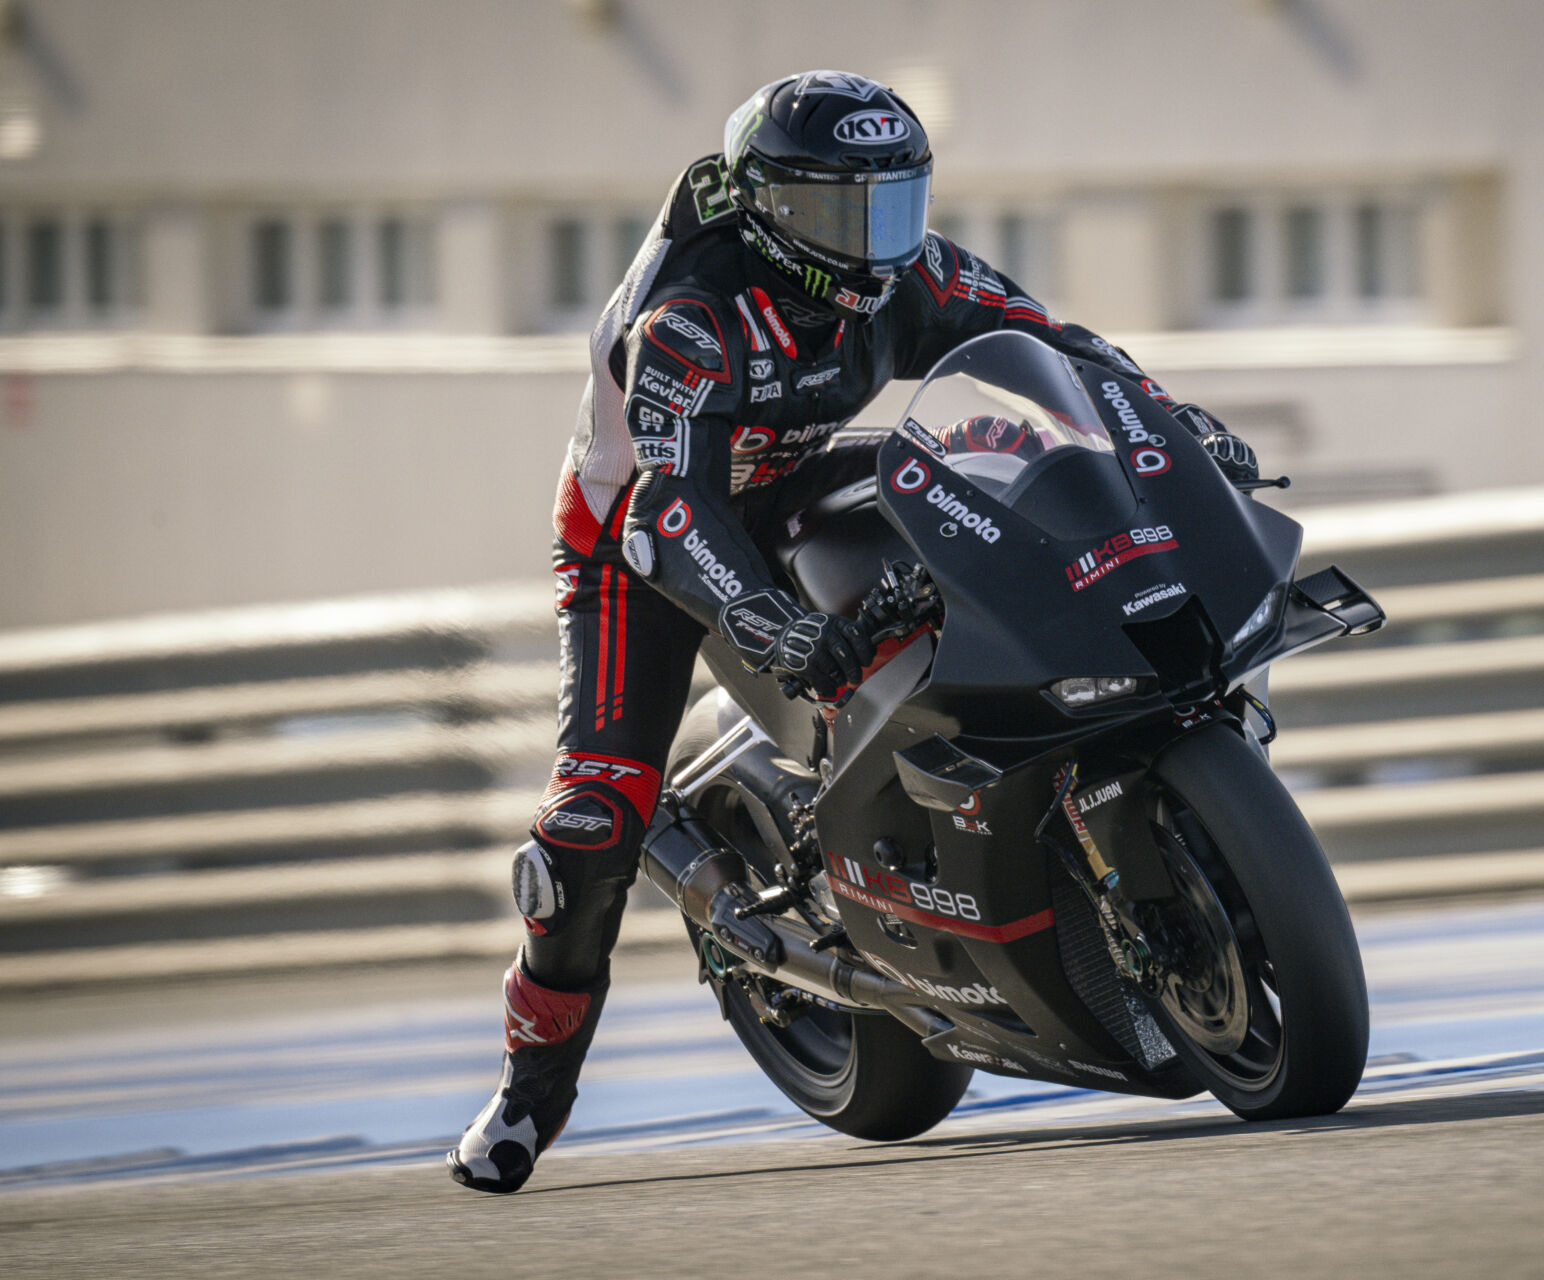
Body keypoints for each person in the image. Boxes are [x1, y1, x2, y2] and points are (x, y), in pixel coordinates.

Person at [447, 69, 1260, 1194]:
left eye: (896, 203)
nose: (877, 243)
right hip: (643, 538)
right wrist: (773, 625)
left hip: (795, 475)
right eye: (843, 212)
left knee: (990, 515)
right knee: (588, 823)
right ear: (769, 208)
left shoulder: (907, 275)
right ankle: (527, 1093)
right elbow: (672, 512)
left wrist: (1170, 429)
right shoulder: (690, 316)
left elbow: (1056, 345)